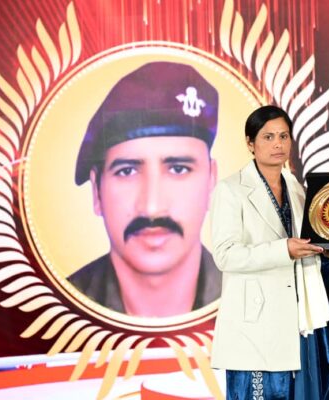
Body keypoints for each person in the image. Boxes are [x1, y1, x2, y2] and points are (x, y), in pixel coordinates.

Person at [209, 105, 329, 399]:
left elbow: (311, 261)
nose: (278, 144)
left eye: (283, 136)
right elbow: (225, 255)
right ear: (250, 143)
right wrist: (284, 250)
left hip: (299, 326)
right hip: (256, 326)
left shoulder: (297, 189)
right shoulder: (230, 189)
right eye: (268, 137)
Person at [69, 62, 221, 318]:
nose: (152, 207)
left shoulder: (263, 306)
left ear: (211, 182)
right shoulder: (51, 311)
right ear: (96, 192)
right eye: (127, 171)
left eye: (179, 169)